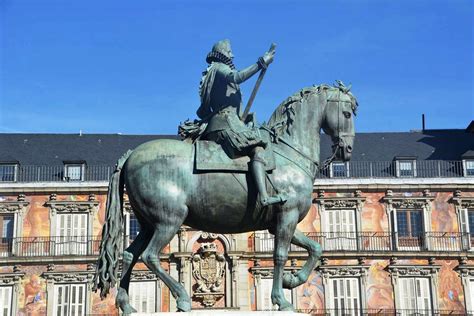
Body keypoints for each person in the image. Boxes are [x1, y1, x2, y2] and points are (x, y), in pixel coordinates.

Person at [197, 39, 285, 207]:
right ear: (223, 53)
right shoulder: (219, 68)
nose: (233, 55)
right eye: (230, 52)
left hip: (230, 121)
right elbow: (236, 77)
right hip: (223, 123)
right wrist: (260, 63)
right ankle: (265, 197)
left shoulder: (216, 72)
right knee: (257, 149)